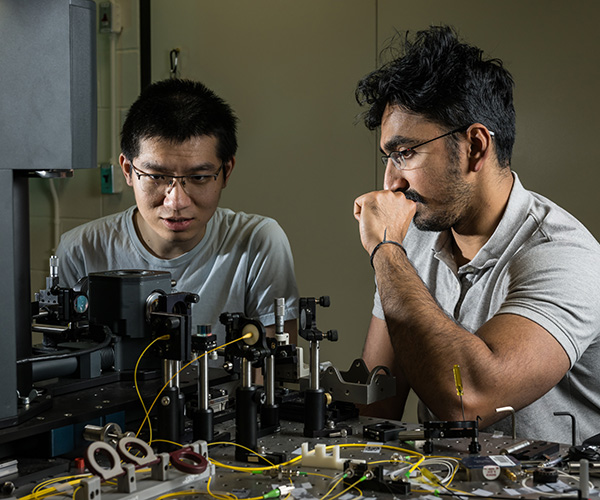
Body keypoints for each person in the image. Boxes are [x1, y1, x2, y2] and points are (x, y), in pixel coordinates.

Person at [352, 26, 600, 444]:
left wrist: (385, 250)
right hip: (440, 479)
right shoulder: (412, 236)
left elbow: (467, 402)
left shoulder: (565, 255)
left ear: (476, 147)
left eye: (405, 153)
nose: (390, 183)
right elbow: (378, 403)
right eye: (387, 157)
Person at [56, 79, 299, 342]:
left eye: (199, 177)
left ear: (226, 171)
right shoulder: (81, 250)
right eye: (157, 177)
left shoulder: (257, 243)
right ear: (128, 170)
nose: (176, 201)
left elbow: (275, 367)